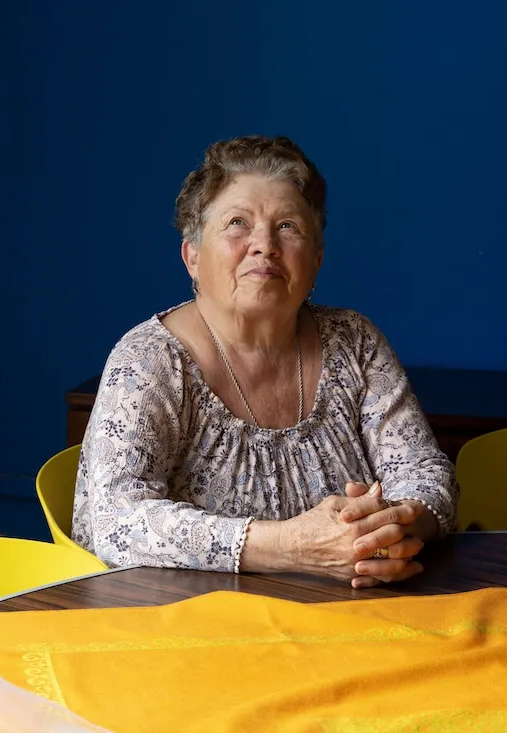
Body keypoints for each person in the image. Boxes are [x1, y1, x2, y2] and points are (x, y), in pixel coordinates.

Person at [72, 135, 458, 588]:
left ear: (315, 261)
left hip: (349, 618)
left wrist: (398, 525)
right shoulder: (149, 361)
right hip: (184, 626)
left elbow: (425, 473)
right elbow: (116, 521)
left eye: (288, 227)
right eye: (238, 223)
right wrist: (291, 546)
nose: (265, 246)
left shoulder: (354, 342)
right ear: (192, 256)